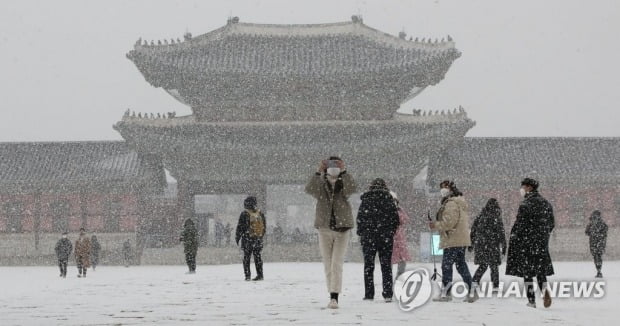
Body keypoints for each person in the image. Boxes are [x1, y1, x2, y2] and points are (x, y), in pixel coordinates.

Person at [305, 156, 357, 309]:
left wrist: (344, 171)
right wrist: (317, 171)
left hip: (343, 228)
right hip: (324, 228)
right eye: (331, 164)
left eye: (336, 164)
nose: (334, 167)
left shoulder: (344, 182)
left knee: (337, 263)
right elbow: (310, 189)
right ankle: (331, 293)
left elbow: (352, 188)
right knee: (328, 264)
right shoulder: (321, 183)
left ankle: (335, 296)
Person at [506, 178, 555, 308]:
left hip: (527, 243)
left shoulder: (525, 204)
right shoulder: (546, 203)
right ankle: (545, 291)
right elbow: (551, 223)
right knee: (540, 271)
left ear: (529, 187)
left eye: (523, 186)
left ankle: (531, 300)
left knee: (527, 273)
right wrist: (543, 236)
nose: (521, 189)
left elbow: (520, 225)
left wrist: (516, 238)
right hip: (541, 243)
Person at [429, 180, 477, 303]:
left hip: (453, 238)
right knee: (461, 265)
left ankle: (446, 293)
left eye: (445, 187)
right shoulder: (459, 202)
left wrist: (436, 225)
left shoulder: (451, 203)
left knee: (446, 265)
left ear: (451, 189)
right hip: (460, 238)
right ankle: (472, 291)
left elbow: (449, 223)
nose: (442, 190)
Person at [357, 179, 399, 302]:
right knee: (386, 266)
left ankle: (369, 294)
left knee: (368, 266)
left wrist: (362, 233)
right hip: (385, 237)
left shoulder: (366, 200)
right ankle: (388, 294)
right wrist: (390, 232)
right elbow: (395, 219)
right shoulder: (389, 200)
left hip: (369, 237)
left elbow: (360, 219)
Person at [470, 198, 507, 291]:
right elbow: (501, 233)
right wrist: (504, 245)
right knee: (493, 266)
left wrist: (471, 243)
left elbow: (473, 230)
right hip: (493, 245)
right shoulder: (496, 218)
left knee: (483, 265)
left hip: (481, 244)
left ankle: (475, 281)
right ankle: (495, 285)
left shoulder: (480, 216)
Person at [235, 196, 266, 281]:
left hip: (247, 239)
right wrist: (260, 237)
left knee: (246, 258)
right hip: (258, 239)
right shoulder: (260, 213)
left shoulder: (245, 213)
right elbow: (264, 228)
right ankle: (260, 275)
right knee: (258, 257)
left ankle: (247, 275)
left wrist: (237, 238)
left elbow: (240, 227)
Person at [390, 191, 411, 279]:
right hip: (391, 239)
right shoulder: (386, 211)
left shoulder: (400, 210)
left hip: (400, 239)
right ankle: (389, 278)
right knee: (389, 260)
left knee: (402, 260)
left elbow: (404, 219)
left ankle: (399, 277)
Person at [585, 210, 608, 278]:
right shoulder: (602, 223)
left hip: (593, 242)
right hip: (600, 242)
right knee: (599, 256)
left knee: (596, 256)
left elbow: (586, 232)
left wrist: (593, 234)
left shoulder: (591, 223)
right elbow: (605, 232)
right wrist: (600, 235)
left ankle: (598, 270)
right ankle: (599, 270)